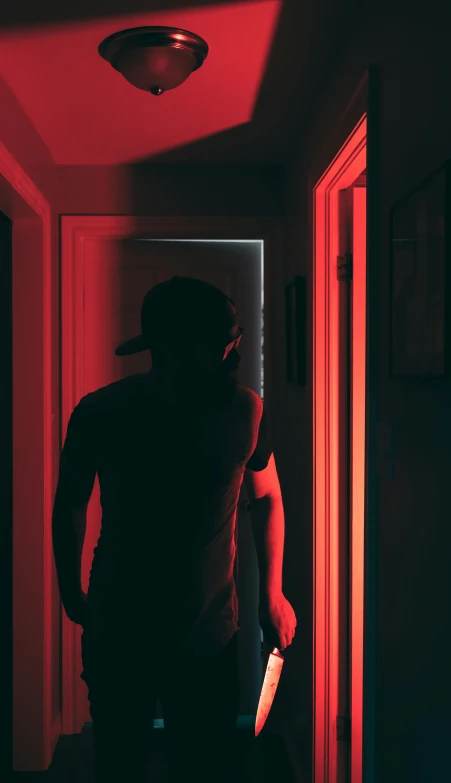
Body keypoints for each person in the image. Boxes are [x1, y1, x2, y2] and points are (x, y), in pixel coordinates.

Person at [52, 276, 297, 783]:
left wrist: (271, 593)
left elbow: (268, 494)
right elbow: (70, 503)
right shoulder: (103, 412)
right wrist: (69, 590)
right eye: (226, 343)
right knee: (120, 761)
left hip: (204, 631)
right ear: (179, 349)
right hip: (121, 625)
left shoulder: (244, 411)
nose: (235, 351)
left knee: (203, 765)